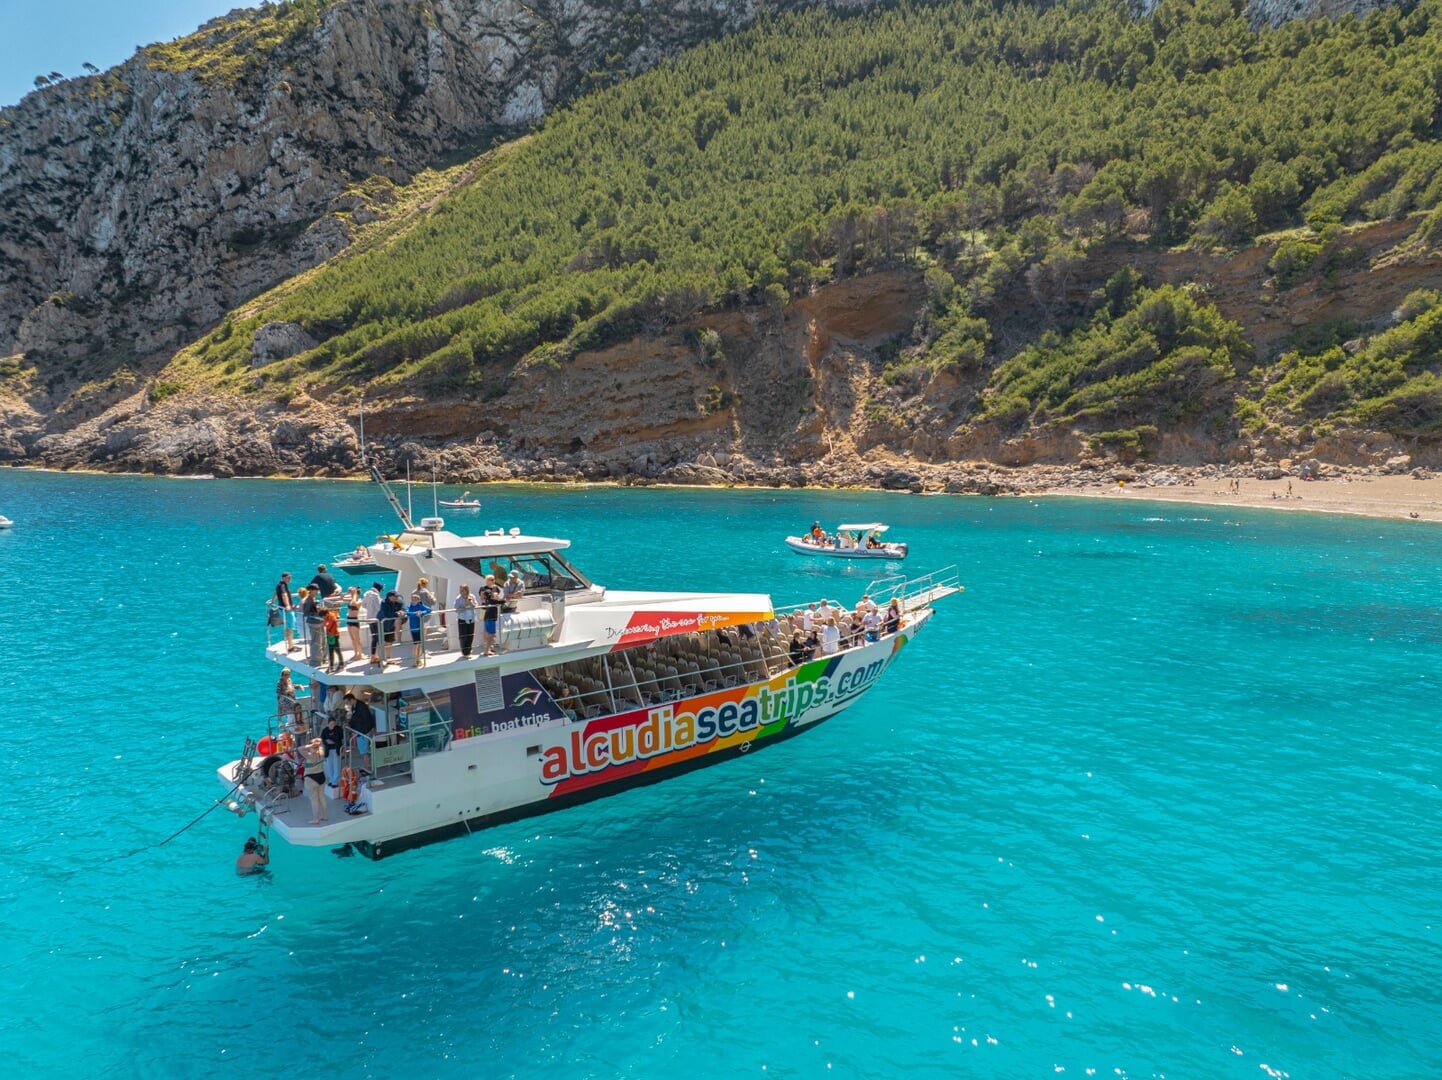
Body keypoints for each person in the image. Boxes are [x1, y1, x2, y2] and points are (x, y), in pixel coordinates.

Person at [345, 691, 376, 773]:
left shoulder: (361, 706)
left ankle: (367, 767)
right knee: (363, 751)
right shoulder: (354, 706)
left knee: (364, 751)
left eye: (347, 702)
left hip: (363, 731)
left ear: (351, 699)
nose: (347, 704)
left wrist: (352, 722)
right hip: (360, 731)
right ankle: (367, 765)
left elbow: (365, 719)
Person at [302, 738, 328, 824]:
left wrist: (310, 746)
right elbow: (321, 745)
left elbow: (299, 748)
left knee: (314, 799)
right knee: (321, 797)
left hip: (311, 778)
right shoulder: (321, 753)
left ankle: (315, 819)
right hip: (321, 776)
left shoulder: (310, 755)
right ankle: (325, 816)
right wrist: (317, 745)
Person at [378, 589, 405, 665]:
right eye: (395, 596)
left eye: (397, 596)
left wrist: (402, 612)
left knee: (389, 642)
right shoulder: (384, 603)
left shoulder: (399, 602)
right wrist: (397, 614)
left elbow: (403, 608)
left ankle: (388, 658)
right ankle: (381, 659)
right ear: (390, 597)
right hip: (381, 625)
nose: (397, 598)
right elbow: (386, 614)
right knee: (380, 642)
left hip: (390, 625)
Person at [405, 590, 432, 665]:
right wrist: (416, 613)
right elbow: (407, 613)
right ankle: (414, 659)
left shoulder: (420, 605)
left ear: (418, 600)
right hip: (414, 628)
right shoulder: (409, 606)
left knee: (420, 643)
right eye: (412, 600)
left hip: (420, 627)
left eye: (415, 600)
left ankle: (418, 658)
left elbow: (429, 609)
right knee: (415, 644)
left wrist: (422, 613)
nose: (413, 601)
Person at [274, 571, 298, 652]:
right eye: (288, 578)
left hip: (282, 609)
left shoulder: (279, 585)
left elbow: (276, 593)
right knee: (290, 628)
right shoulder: (283, 586)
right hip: (286, 610)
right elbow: (284, 595)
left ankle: (290, 644)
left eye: (290, 577)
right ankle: (291, 647)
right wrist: (288, 605)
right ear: (284, 578)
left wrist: (272, 600)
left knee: (288, 627)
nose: (290, 579)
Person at [480, 574, 502, 656]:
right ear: (487, 580)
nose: (493, 581)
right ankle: (487, 646)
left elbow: (498, 598)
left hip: (493, 610)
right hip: (484, 610)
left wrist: (496, 599)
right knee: (485, 629)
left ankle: (490, 647)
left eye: (493, 579)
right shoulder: (483, 588)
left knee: (490, 629)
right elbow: (482, 599)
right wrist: (492, 599)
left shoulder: (496, 588)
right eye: (491, 579)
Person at [321, 711, 344, 787]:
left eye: (334, 724)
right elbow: (322, 739)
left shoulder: (338, 729)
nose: (332, 726)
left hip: (336, 749)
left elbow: (341, 737)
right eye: (331, 724)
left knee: (336, 765)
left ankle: (335, 781)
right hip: (328, 750)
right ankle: (331, 779)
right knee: (329, 765)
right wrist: (327, 742)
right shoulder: (325, 731)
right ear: (328, 724)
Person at [454, 582, 478, 657]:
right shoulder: (458, 598)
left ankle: (468, 651)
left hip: (471, 618)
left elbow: (476, 606)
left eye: (462, 590)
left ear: (466, 590)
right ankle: (465, 652)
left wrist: (470, 603)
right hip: (462, 619)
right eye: (460, 590)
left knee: (470, 635)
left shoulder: (472, 596)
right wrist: (464, 605)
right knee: (463, 636)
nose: (461, 592)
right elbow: (456, 610)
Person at [362, 581, 383, 664]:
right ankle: (377, 656)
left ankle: (373, 656)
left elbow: (363, 605)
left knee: (374, 638)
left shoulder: (367, 594)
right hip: (376, 619)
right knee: (378, 638)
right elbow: (379, 608)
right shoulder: (376, 595)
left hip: (369, 618)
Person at [344, 588, 364, 662]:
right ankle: (355, 654)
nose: (351, 593)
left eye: (353, 592)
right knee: (352, 639)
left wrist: (354, 594)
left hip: (354, 620)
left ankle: (360, 654)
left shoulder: (359, 601)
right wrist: (347, 592)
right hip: (349, 619)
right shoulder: (350, 599)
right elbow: (341, 598)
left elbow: (354, 603)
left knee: (357, 639)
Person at [322, 605, 342, 672]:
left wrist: (325, 622)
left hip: (334, 635)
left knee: (337, 651)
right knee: (330, 651)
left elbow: (328, 625)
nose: (323, 617)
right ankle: (331, 666)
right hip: (330, 636)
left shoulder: (332, 616)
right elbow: (325, 624)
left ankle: (341, 664)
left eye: (324, 616)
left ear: (326, 614)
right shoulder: (326, 617)